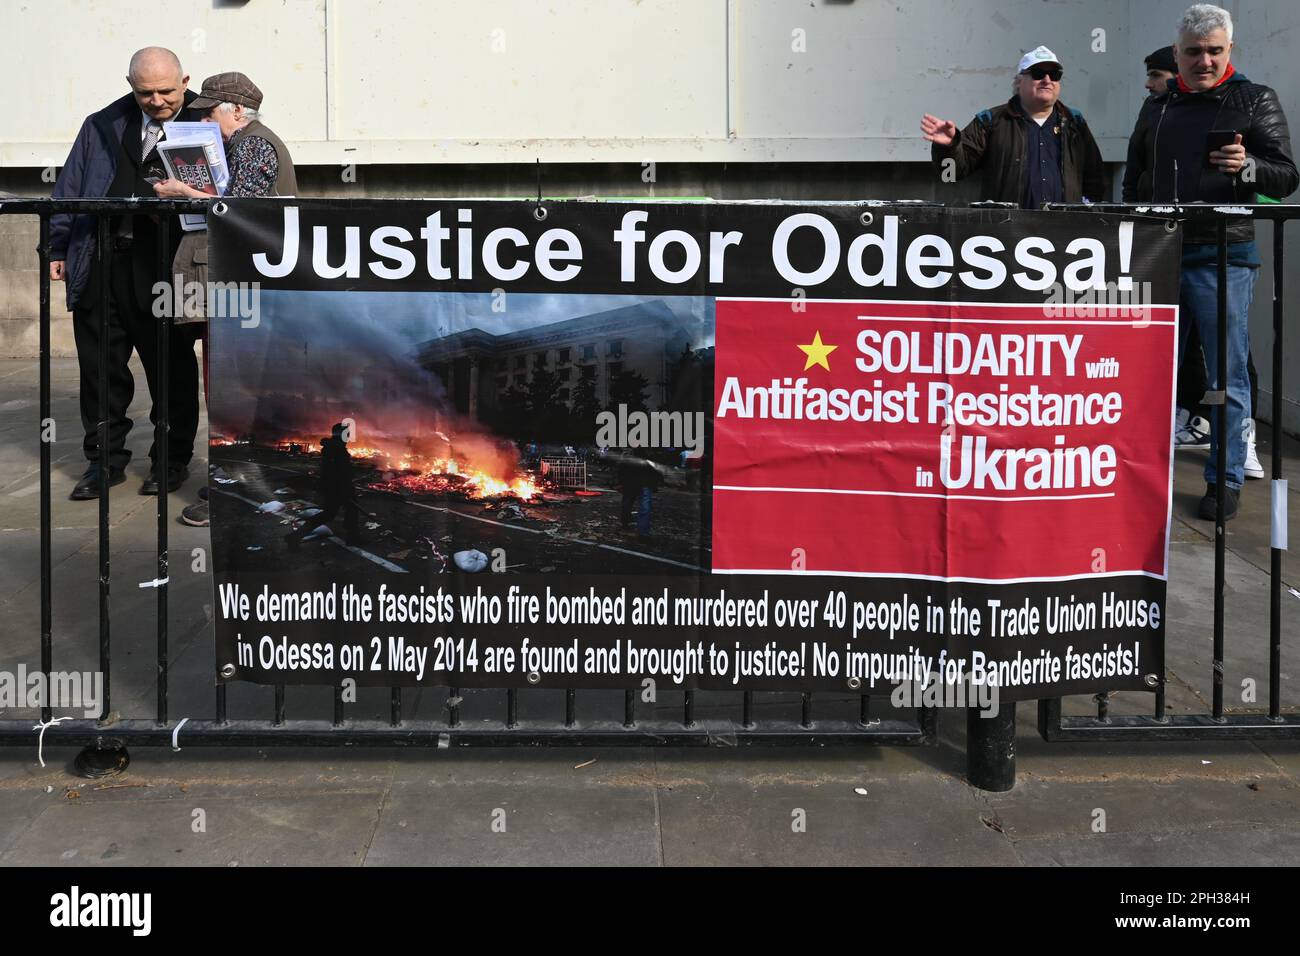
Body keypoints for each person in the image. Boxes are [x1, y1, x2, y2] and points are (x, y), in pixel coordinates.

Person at [1123, 4, 1299, 520]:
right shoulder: (1155, 106)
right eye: (1194, 52)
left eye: (1215, 51)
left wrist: (1247, 168)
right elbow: (1135, 176)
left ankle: (1224, 480)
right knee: (1148, 372)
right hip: (1158, 253)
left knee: (1225, 377)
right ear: (1177, 54)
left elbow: (1286, 176)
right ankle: (1140, 473)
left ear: (1229, 51)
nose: (1205, 60)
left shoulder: (1254, 98)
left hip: (1222, 252)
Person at [50, 47, 202, 499]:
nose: (156, 101)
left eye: (165, 91)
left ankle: (170, 462)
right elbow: (71, 185)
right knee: (100, 369)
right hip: (103, 257)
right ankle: (104, 462)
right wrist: (58, 245)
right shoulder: (103, 122)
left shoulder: (205, 118)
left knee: (170, 366)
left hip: (168, 263)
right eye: (145, 92)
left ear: (185, 79)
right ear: (130, 84)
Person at [151, 72, 299, 527]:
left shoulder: (253, 144)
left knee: (232, 391)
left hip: (244, 286)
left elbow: (242, 212)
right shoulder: (250, 142)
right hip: (244, 284)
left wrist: (183, 192)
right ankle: (231, 481)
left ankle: (234, 494)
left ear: (236, 110)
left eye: (210, 111)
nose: (204, 120)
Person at [921, 46, 1106, 208]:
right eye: (1038, 73)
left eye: (1055, 75)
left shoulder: (1075, 122)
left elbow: (1095, 179)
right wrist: (950, 147)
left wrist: (1085, 217)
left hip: (1064, 234)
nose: (1047, 80)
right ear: (1019, 82)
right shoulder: (990, 121)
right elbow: (951, 174)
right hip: (1009, 235)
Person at [286, 424, 361, 549]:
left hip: (334, 486)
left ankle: (353, 536)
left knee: (340, 512)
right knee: (339, 512)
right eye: (347, 433)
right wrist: (344, 487)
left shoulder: (333, 447)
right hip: (338, 487)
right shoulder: (338, 450)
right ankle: (353, 537)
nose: (348, 436)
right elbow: (339, 472)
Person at [616, 454, 662, 536]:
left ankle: (638, 530)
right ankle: (640, 531)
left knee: (632, 504)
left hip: (637, 480)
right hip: (638, 480)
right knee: (642, 507)